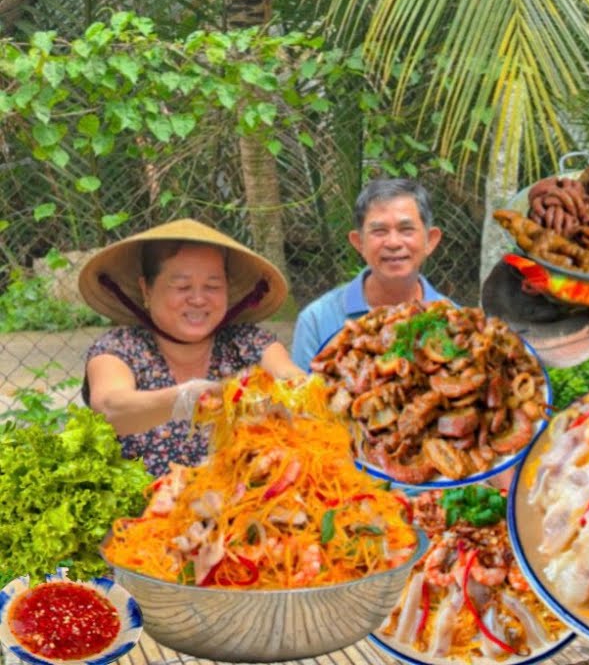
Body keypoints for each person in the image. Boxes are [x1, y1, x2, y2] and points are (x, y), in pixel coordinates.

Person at [79, 219, 304, 475]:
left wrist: (297, 391)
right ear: (146, 289)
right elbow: (110, 407)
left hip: (242, 507)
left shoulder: (248, 344)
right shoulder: (119, 348)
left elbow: (290, 377)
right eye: (182, 286)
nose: (198, 299)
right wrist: (184, 399)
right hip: (144, 511)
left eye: (213, 286)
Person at [291, 178, 447, 369]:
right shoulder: (317, 320)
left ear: (430, 240)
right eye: (379, 231)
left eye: (406, 230)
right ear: (359, 243)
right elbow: (297, 394)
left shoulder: (454, 319)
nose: (393, 243)